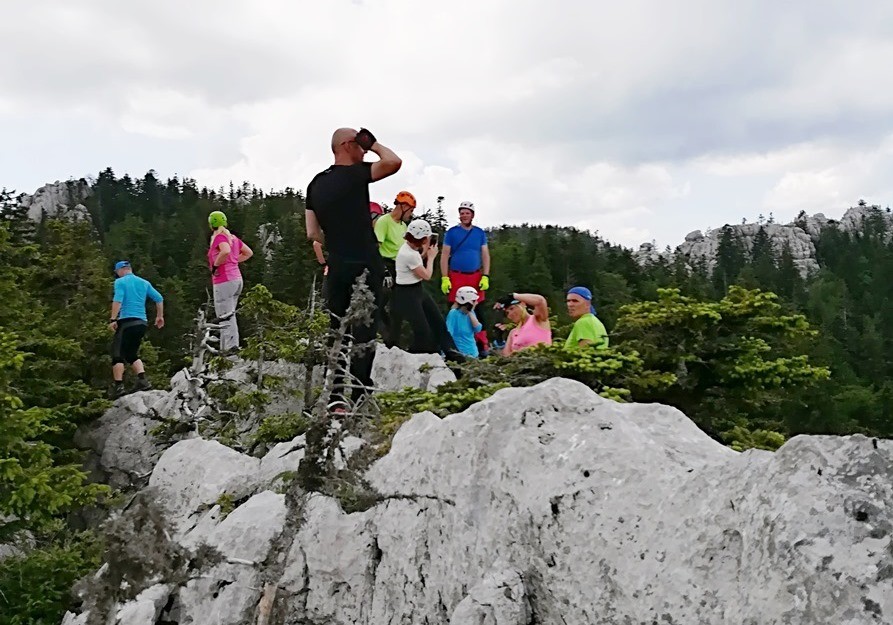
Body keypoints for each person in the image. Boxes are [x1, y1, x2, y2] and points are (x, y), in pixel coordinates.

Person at [305, 127, 402, 403]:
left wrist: (335, 243)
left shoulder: (316, 183)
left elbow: (312, 232)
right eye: (359, 145)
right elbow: (393, 162)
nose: (363, 151)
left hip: (336, 264)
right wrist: (374, 144)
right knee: (364, 329)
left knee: (336, 327)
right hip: (365, 261)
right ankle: (360, 395)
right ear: (348, 145)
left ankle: (334, 396)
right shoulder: (356, 175)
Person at [392, 219, 463, 361]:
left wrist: (426, 252)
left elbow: (417, 261)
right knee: (422, 331)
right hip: (407, 294)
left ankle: (454, 356)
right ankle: (420, 359)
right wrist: (431, 258)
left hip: (417, 290)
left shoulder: (410, 249)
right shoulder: (408, 254)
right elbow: (426, 275)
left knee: (437, 321)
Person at [440, 201, 491, 354]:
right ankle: (451, 344)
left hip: (475, 276)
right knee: (455, 310)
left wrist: (486, 276)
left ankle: (482, 345)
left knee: (478, 309)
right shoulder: (452, 232)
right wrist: (445, 278)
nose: (464, 215)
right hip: (457, 275)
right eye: (462, 213)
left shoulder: (479, 233)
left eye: (467, 213)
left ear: (472, 215)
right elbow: (444, 255)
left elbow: (485, 255)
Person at [108, 261, 164, 398]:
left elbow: (118, 300)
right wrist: (159, 316)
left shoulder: (120, 282)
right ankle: (142, 380)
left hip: (126, 321)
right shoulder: (144, 282)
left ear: (120, 271)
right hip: (141, 322)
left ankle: (118, 386)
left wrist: (113, 319)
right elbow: (159, 298)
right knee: (131, 353)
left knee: (117, 354)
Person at [207, 210, 253, 353]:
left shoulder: (220, 237)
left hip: (224, 280)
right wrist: (234, 261)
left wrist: (215, 265)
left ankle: (230, 349)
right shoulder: (233, 237)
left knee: (224, 315)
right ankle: (228, 346)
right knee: (230, 313)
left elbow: (225, 251)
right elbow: (249, 253)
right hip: (236, 279)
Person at [375, 190, 416, 345]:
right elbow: (376, 248)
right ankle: (383, 338)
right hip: (385, 266)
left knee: (397, 308)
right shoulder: (384, 221)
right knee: (378, 305)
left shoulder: (403, 226)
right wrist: (383, 270)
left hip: (399, 268)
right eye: (411, 210)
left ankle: (393, 341)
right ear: (403, 206)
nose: (411, 214)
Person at [446, 286, 483, 358]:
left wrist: (470, 312)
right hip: (460, 354)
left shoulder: (471, 313)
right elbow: (449, 332)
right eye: (474, 301)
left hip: (473, 353)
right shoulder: (453, 314)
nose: (477, 303)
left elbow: (478, 329)